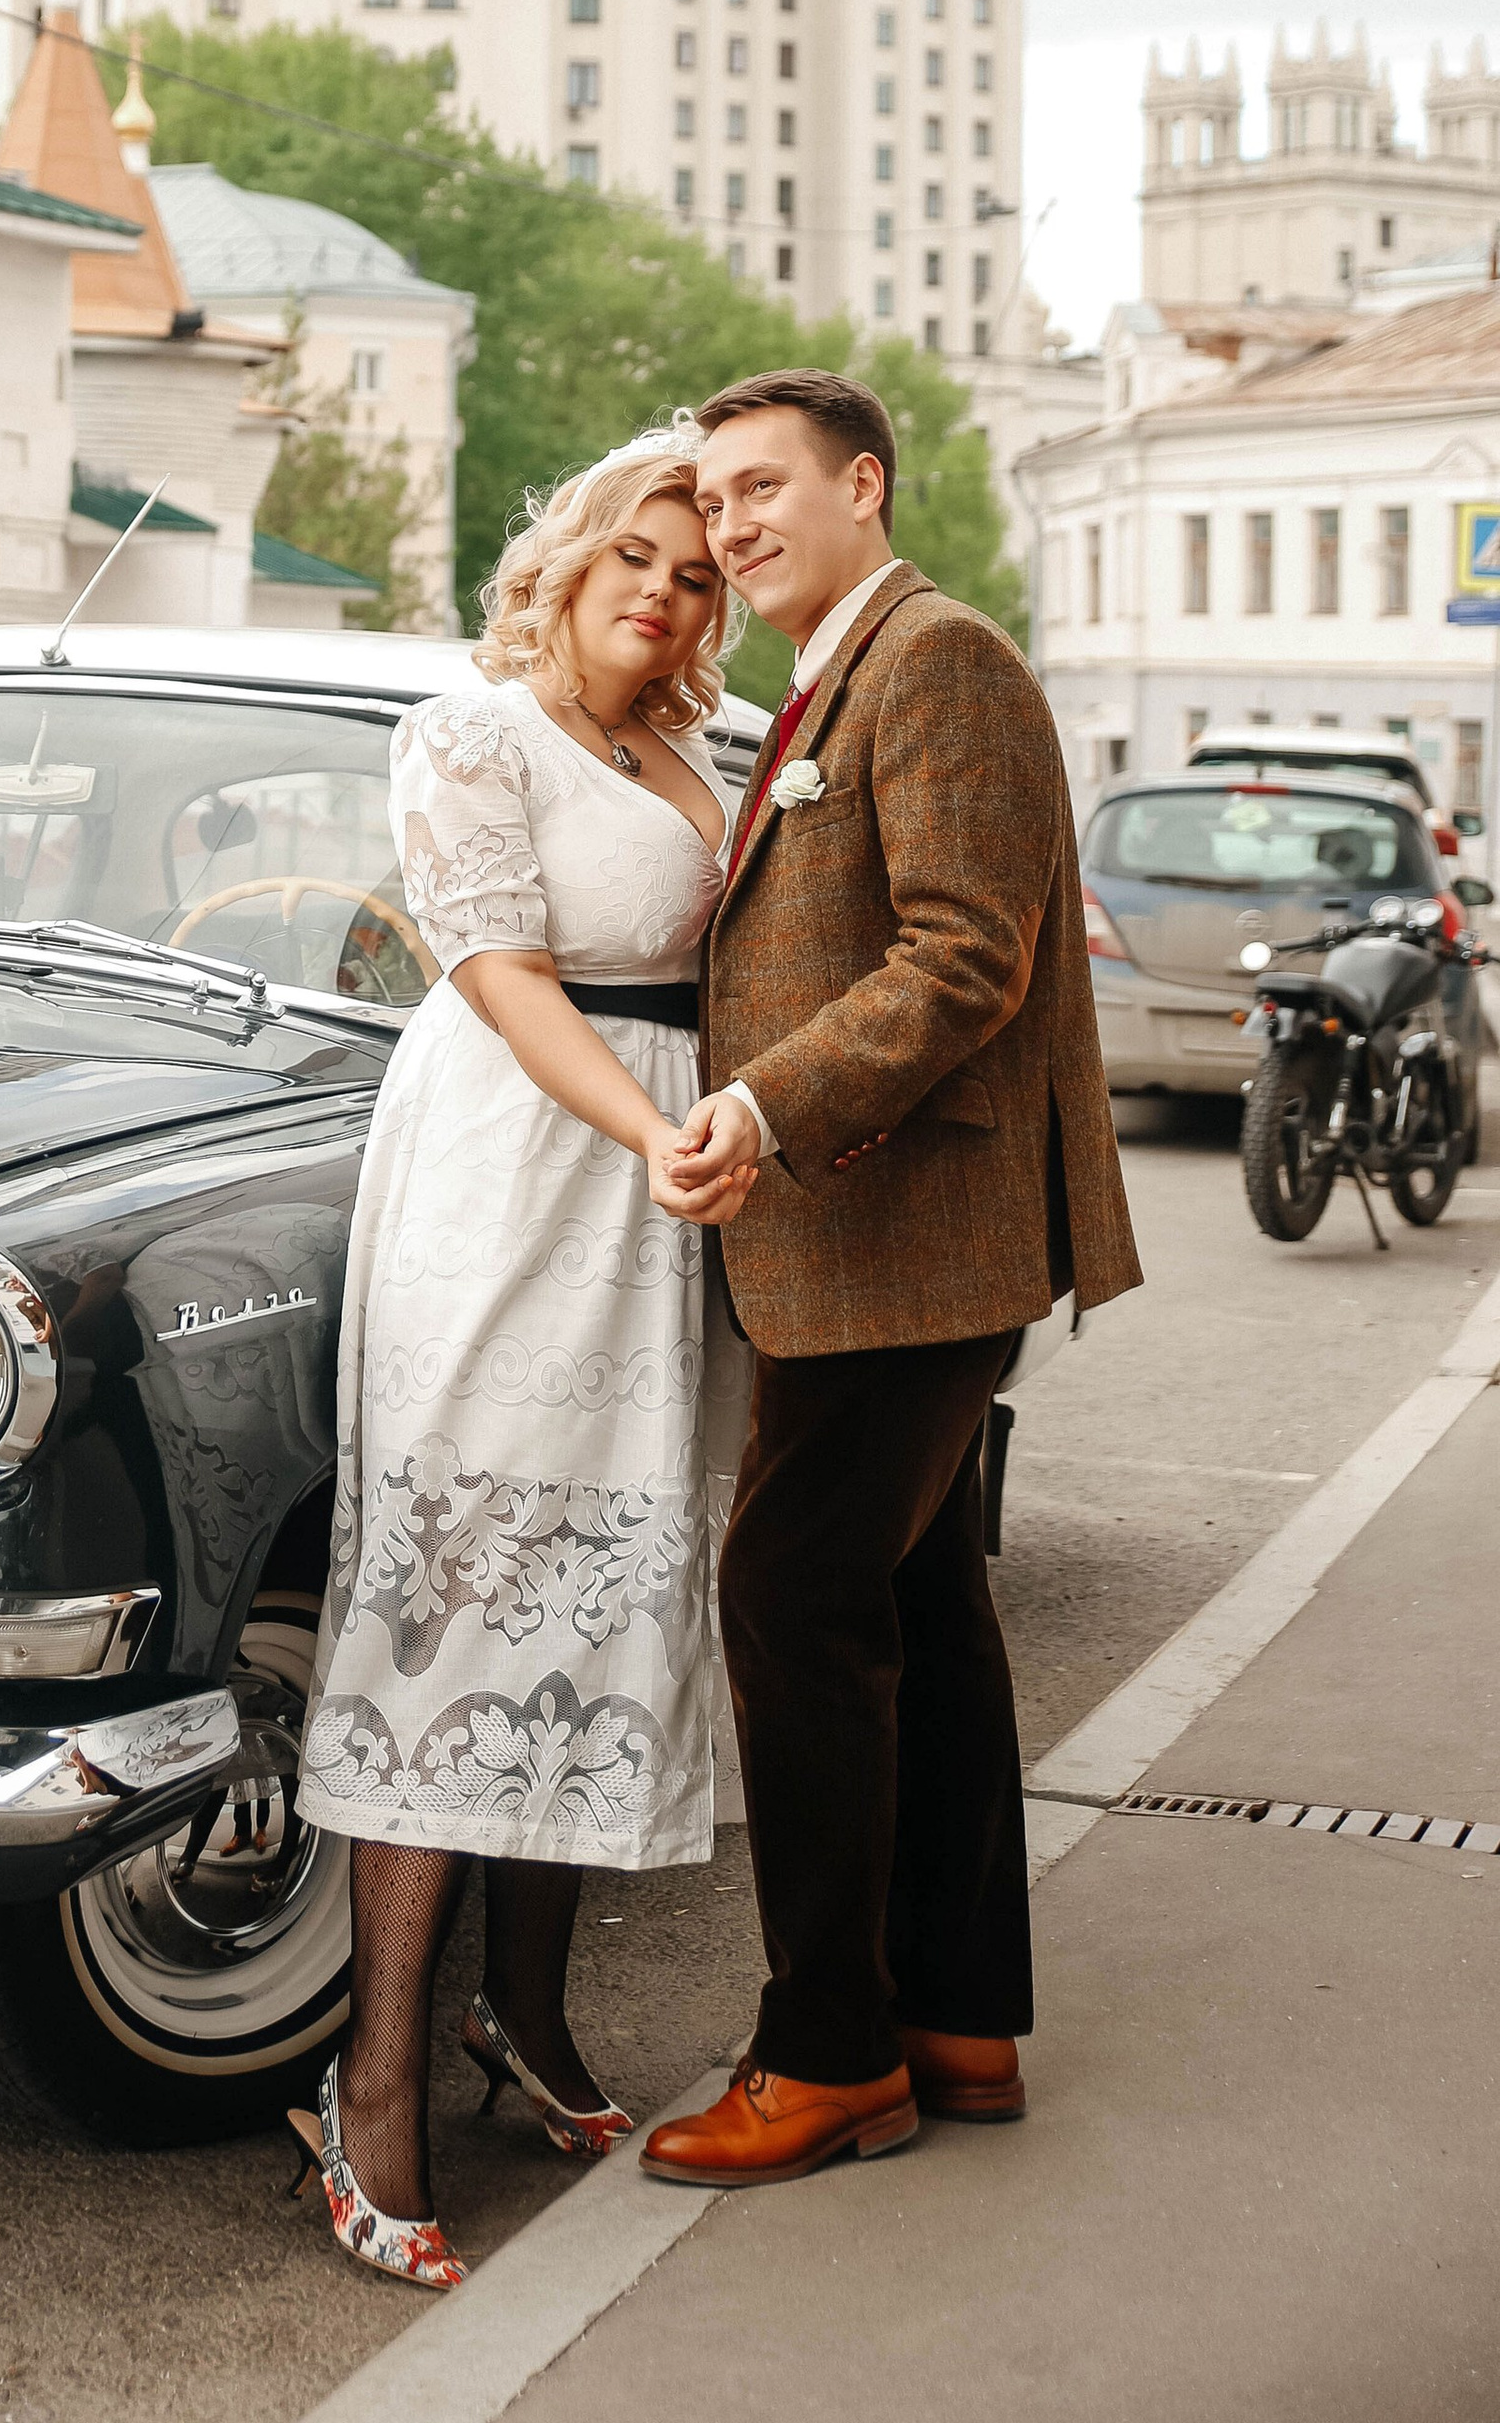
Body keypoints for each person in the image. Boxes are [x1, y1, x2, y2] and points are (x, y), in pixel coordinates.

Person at [634, 368, 1142, 2194]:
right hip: (863, 1241)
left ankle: (829, 2054)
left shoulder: (938, 660)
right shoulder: (834, 674)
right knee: (922, 1618)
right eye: (715, 494)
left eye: (766, 484)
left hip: (908, 1238)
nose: (734, 520)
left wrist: (759, 1104)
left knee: (787, 1597)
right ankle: (956, 2021)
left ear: (866, 480)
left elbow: (961, 962)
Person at [293, 433, 752, 2290]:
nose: (662, 588)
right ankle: (373, 2078)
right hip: (520, 1160)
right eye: (632, 554)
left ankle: (529, 2021)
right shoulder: (468, 726)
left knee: (600, 1596)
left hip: (665, 1188)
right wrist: (650, 1136)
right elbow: (501, 975)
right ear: (560, 559)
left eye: (698, 572)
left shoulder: (703, 753)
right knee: (468, 1597)